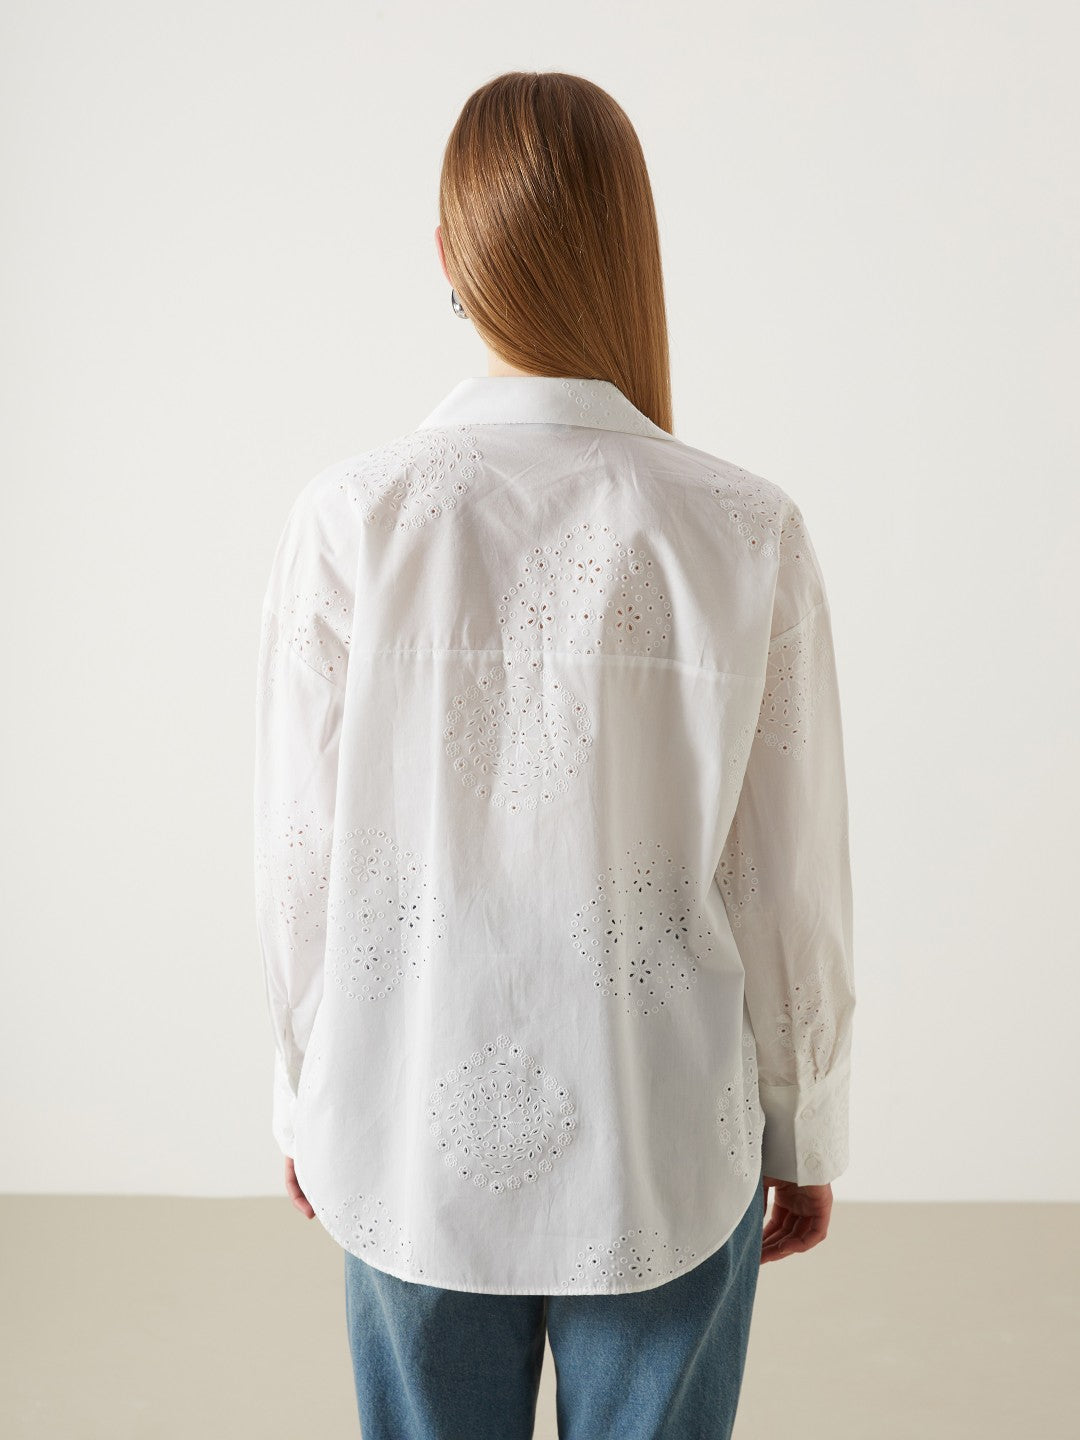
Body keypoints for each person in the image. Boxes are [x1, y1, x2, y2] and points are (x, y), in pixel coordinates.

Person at [254, 69, 855, 1440]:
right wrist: (803, 1118)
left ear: (449, 253)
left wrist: (304, 1093)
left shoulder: (348, 519)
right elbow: (790, 876)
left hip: (403, 1127)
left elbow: (299, 856)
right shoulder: (744, 528)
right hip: (666, 1140)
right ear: (630, 244)